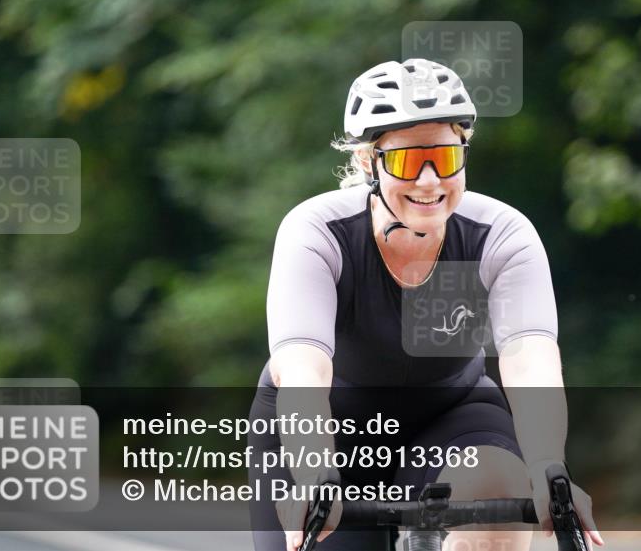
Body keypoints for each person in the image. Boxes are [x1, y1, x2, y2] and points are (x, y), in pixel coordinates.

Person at [250, 59, 603, 551]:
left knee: (502, 488)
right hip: (329, 421)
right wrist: (314, 467)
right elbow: (303, 370)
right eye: (410, 162)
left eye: (446, 155)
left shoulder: (502, 235)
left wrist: (549, 468)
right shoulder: (317, 232)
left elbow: (529, 359)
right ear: (368, 163)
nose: (431, 180)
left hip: (452, 414)